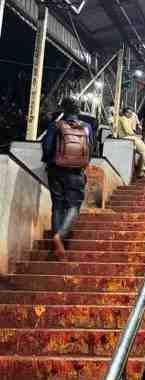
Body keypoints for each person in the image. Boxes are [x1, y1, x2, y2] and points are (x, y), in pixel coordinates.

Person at [42, 97, 92, 259]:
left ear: (64, 110)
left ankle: (56, 241)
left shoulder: (56, 125)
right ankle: (60, 236)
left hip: (56, 170)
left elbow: (47, 147)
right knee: (73, 206)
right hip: (76, 172)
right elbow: (91, 148)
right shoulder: (87, 127)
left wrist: (50, 162)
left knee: (57, 205)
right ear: (78, 111)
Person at [117, 107, 145, 177]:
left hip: (126, 137)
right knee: (144, 150)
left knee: (142, 153)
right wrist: (136, 135)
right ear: (125, 113)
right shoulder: (123, 119)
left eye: (131, 113)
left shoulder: (123, 119)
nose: (131, 115)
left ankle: (141, 171)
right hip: (127, 137)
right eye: (129, 113)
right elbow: (128, 131)